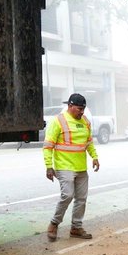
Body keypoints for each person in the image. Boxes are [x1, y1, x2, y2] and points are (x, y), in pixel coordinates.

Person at [43, 93, 100, 242]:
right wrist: (49, 166)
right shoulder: (58, 121)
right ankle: (54, 224)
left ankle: (76, 227)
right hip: (64, 166)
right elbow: (48, 146)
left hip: (81, 167)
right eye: (79, 109)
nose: (82, 112)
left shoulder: (85, 122)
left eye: (83, 109)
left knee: (81, 198)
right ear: (70, 106)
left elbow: (89, 142)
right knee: (67, 195)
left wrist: (94, 157)